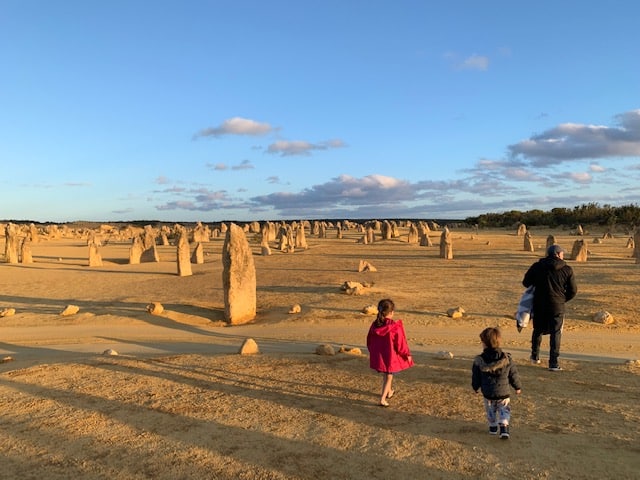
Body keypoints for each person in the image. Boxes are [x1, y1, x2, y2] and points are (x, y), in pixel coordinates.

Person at [523, 244, 577, 371]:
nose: (563, 255)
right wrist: (562, 299)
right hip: (557, 305)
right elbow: (573, 290)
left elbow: (526, 282)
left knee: (538, 330)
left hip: (539, 303)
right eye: (562, 253)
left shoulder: (537, 266)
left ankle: (534, 356)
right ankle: (553, 363)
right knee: (556, 333)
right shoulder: (567, 269)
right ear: (558, 254)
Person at [472, 327, 522, 440]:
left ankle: (493, 427)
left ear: (484, 344)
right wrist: (517, 387)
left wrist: (475, 387)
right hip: (503, 393)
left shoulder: (479, 361)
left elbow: (476, 376)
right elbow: (513, 374)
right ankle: (504, 427)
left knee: (490, 410)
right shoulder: (506, 358)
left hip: (488, 393)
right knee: (504, 410)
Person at [366, 298, 414, 407]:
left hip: (380, 357)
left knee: (387, 375)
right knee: (389, 376)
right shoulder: (394, 327)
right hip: (390, 357)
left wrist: (373, 352)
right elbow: (401, 343)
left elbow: (369, 340)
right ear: (392, 312)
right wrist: (407, 354)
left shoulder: (375, 325)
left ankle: (389, 391)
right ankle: (382, 399)